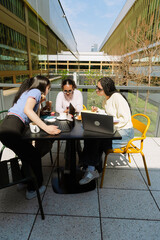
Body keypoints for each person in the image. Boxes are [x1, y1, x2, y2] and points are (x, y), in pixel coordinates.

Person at [0, 76, 61, 199]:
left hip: (7, 126)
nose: (48, 90)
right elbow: (28, 111)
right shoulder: (36, 91)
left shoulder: (28, 92)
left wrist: (39, 103)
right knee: (34, 155)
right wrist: (47, 128)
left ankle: (23, 181)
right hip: (12, 128)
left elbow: (33, 116)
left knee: (26, 154)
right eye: (49, 88)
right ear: (44, 86)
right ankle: (33, 189)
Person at [79, 77, 134, 185]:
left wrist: (109, 124)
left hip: (124, 132)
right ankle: (91, 167)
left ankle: (91, 169)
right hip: (115, 129)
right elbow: (109, 113)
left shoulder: (117, 97)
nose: (96, 90)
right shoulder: (107, 98)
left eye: (99, 88)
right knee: (90, 137)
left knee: (97, 140)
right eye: (96, 88)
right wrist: (99, 110)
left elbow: (125, 118)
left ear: (107, 88)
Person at [55, 79, 83, 170]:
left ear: (73, 88)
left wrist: (72, 109)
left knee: (73, 136)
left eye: (70, 91)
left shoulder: (78, 93)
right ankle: (80, 156)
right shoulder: (60, 94)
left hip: (76, 119)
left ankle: (68, 160)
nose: (67, 93)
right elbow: (57, 108)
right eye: (65, 91)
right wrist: (65, 111)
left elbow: (80, 107)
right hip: (64, 119)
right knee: (72, 137)